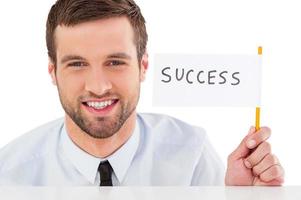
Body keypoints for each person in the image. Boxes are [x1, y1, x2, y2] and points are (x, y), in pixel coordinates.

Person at [0, 0, 284, 186]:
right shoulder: (10, 174)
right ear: (53, 72)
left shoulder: (192, 155)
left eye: (115, 62)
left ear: (143, 66)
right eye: (77, 64)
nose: (98, 86)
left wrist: (243, 198)